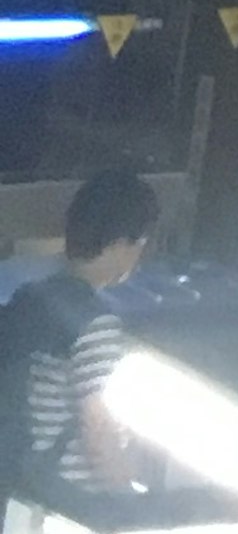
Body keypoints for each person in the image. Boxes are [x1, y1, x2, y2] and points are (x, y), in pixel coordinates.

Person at [15, 173, 155, 505]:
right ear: (122, 244)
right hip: (65, 499)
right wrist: (130, 496)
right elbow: (98, 432)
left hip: (20, 483)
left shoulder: (29, 299)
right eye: (141, 244)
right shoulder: (95, 325)